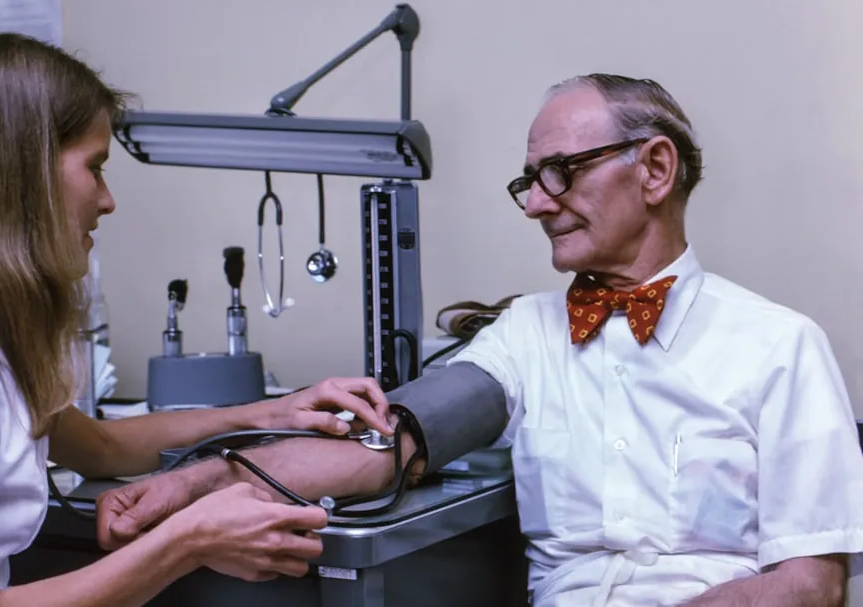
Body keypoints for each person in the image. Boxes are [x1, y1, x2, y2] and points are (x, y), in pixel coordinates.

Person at [97, 73, 863, 607]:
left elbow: (810, 584)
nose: (535, 203)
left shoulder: (782, 346)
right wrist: (186, 485)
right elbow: (378, 447)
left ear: (655, 169)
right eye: (529, 179)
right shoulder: (525, 335)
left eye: (560, 171)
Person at [0, 33, 397, 607]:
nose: (107, 199)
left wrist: (272, 412)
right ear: (22, 176)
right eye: (95, 167)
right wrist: (187, 541)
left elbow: (103, 448)